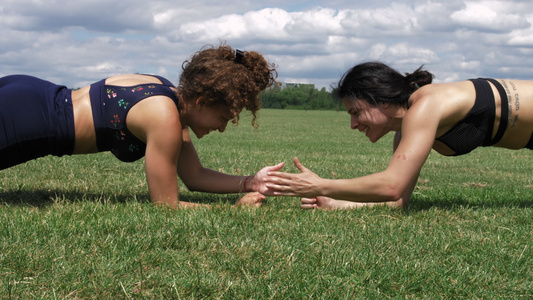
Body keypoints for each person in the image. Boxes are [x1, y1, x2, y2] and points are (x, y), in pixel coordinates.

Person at [0, 43, 283, 209]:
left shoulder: (166, 93)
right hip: (31, 120)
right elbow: (166, 206)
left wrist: (249, 182)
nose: (221, 128)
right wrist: (234, 211)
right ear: (201, 101)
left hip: (30, 91)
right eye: (222, 118)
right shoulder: (164, 117)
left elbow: (194, 176)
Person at [264, 61, 533, 209]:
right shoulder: (407, 130)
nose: (353, 124)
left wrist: (320, 185)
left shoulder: (426, 104)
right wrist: (337, 204)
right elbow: (397, 198)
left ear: (382, 100)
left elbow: (390, 186)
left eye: (356, 112)